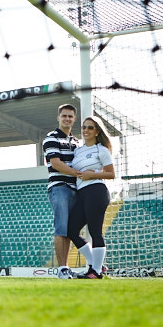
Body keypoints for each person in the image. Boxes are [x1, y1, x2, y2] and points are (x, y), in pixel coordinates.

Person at [67, 115, 116, 279]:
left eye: (90, 127)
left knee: (95, 231)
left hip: (96, 191)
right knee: (71, 230)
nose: (86, 130)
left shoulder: (101, 149)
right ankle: (97, 265)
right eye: (84, 127)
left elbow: (111, 174)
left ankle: (94, 272)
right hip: (81, 194)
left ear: (97, 131)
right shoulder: (78, 150)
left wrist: (92, 174)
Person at [42, 104, 81, 279]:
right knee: (61, 228)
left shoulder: (77, 142)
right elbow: (56, 163)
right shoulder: (51, 138)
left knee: (71, 230)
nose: (67, 119)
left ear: (74, 119)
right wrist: (78, 173)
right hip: (60, 187)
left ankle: (68, 267)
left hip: (76, 189)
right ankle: (62, 269)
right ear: (58, 118)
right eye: (64, 116)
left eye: (70, 116)